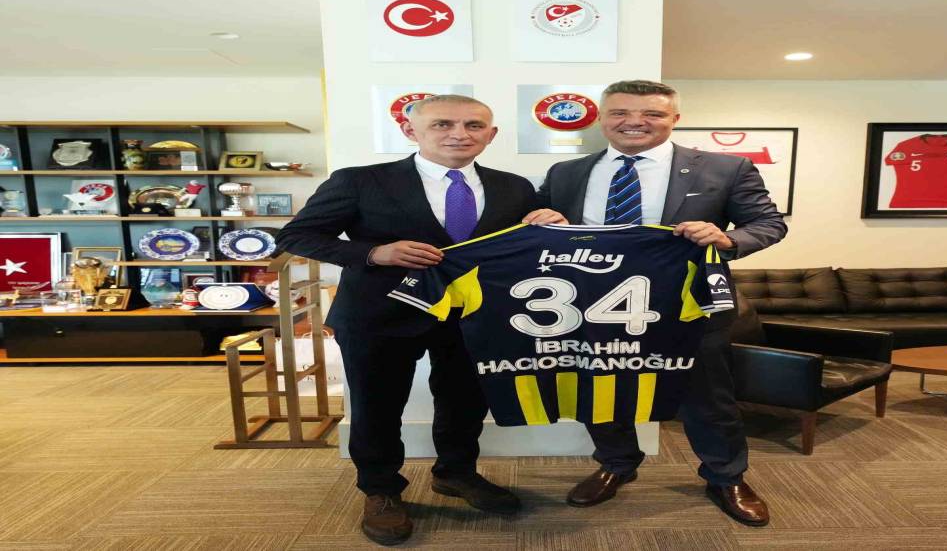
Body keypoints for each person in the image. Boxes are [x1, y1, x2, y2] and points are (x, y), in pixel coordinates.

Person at [276, 95, 565, 546]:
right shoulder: (360, 180)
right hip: (379, 313)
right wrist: (374, 253)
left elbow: (523, 246)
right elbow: (297, 235)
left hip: (475, 315)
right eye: (443, 124)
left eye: (474, 125)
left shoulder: (514, 188)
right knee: (376, 406)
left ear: (491, 135)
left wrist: (549, 223)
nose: (459, 134)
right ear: (411, 131)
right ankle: (381, 490)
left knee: (466, 401)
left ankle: (456, 473)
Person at [525, 80, 787, 526]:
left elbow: (767, 223)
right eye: (620, 112)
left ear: (674, 119)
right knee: (601, 390)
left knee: (708, 397)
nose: (634, 122)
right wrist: (542, 220)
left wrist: (727, 239)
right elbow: (543, 233)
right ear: (602, 119)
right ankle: (616, 463)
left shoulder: (726, 168)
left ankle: (725, 477)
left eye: (652, 113)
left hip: (688, 304)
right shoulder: (566, 173)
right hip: (593, 305)